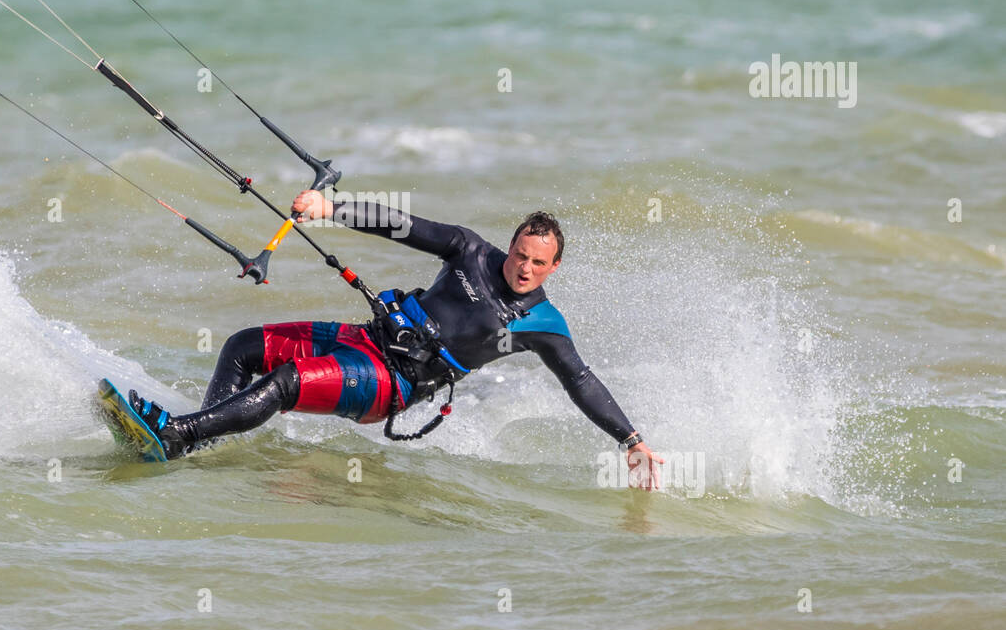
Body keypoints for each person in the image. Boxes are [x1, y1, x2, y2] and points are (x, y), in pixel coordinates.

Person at [128, 194, 663, 488]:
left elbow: (581, 380)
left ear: (554, 267)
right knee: (243, 346)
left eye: (538, 263)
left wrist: (631, 440)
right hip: (368, 339)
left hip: (393, 384)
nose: (524, 268)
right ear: (511, 245)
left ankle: (178, 436)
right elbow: (400, 224)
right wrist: (331, 209)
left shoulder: (542, 323)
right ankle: (208, 442)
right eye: (520, 254)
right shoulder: (469, 252)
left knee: (287, 383)